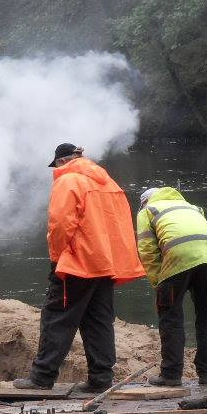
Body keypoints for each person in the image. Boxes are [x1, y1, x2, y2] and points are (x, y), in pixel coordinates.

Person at [14, 143, 146, 393]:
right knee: (99, 322)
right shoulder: (108, 183)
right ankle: (101, 379)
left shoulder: (68, 181)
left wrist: (57, 259)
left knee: (57, 318)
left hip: (78, 263)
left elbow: (61, 224)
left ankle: (42, 378)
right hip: (105, 264)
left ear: (61, 162)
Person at [137, 187, 207, 386]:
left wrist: (158, 283)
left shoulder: (148, 211)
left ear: (144, 202)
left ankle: (171, 374)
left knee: (170, 318)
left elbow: (147, 251)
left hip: (178, 255)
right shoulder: (192, 207)